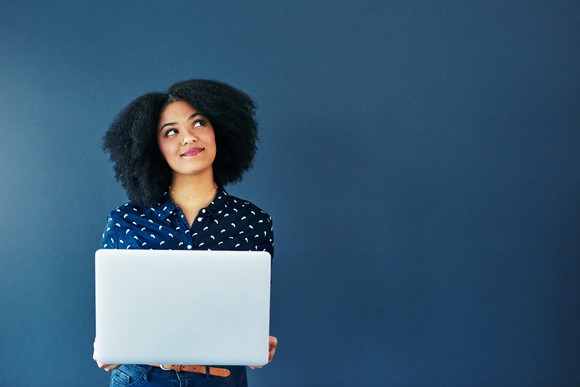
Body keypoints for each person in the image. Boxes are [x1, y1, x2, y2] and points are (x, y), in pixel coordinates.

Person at [93, 79, 277, 387]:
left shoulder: (253, 221)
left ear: (220, 130)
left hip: (221, 379)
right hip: (141, 377)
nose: (188, 138)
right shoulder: (125, 220)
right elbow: (117, 311)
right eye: (171, 131)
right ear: (154, 147)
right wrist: (108, 344)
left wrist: (257, 340)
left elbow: (246, 309)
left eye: (199, 123)